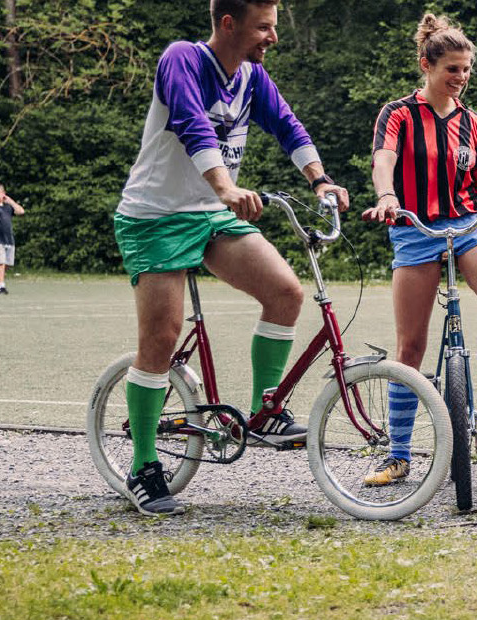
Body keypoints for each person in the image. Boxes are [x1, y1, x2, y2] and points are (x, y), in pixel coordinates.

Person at [109, 0, 351, 515]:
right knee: (161, 336)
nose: (273, 37)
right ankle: (144, 467)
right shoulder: (183, 59)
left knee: (284, 292)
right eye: (264, 27)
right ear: (228, 24)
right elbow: (192, 122)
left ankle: (265, 411)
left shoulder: (251, 78)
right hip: (155, 216)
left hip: (210, 214)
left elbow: (288, 126)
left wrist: (321, 181)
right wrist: (225, 186)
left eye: (273, 27)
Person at [356, 14, 477, 486]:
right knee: (410, 345)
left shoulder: (474, 124)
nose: (462, 77)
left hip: (469, 227)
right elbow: (383, 162)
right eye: (452, 69)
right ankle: (398, 454)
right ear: (426, 65)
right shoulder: (398, 114)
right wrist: (387, 197)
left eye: (467, 68)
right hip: (414, 228)